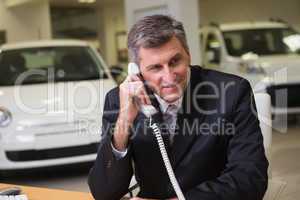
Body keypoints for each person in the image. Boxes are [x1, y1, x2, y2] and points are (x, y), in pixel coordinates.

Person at [88, 15, 268, 200]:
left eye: (175, 61)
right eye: (156, 67)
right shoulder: (119, 100)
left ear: (188, 54)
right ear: (137, 70)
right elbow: (104, 192)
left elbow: (251, 178)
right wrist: (124, 121)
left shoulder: (233, 92)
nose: (169, 76)